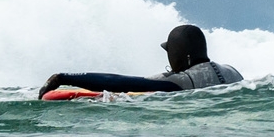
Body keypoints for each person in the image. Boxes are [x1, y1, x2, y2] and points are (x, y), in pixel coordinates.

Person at [37, 24, 242, 98]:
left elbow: (118, 82)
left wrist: (64, 77)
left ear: (179, 54)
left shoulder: (182, 82)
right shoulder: (232, 71)